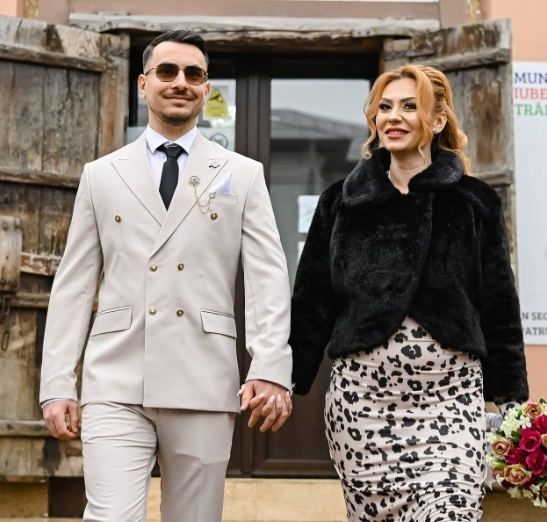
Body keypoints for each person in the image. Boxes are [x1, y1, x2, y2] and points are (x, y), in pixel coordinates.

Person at [40, 29, 293, 522]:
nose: (181, 82)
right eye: (167, 71)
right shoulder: (102, 174)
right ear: (143, 83)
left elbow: (267, 279)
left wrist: (269, 366)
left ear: (206, 87)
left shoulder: (242, 174)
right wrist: (57, 382)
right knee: (110, 517)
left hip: (204, 377)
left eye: (194, 74)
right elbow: (73, 286)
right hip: (115, 379)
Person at [289, 64, 529, 521]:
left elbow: (498, 306)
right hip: (362, 406)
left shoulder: (475, 202)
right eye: (384, 107)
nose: (393, 117)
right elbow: (312, 303)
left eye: (409, 106)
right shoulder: (340, 203)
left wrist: (512, 399)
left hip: (450, 401)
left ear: (437, 120)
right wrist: (284, 379)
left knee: (452, 511)